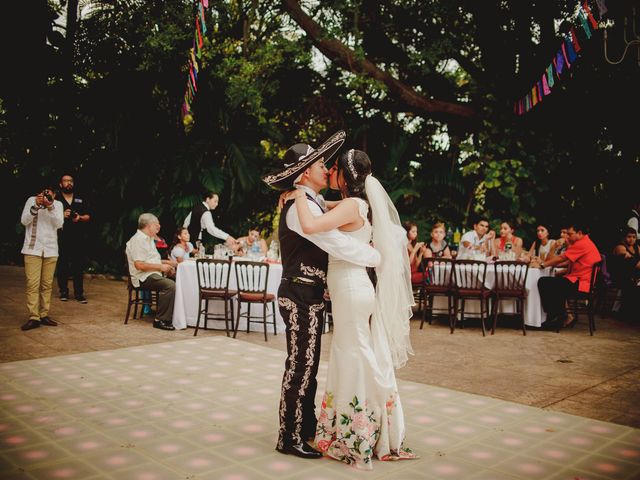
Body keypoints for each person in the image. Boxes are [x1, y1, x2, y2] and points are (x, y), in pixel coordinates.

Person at [290, 148, 417, 469]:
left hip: (349, 286)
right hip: (354, 286)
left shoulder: (351, 205)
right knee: (357, 351)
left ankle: (358, 430)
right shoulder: (359, 205)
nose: (329, 172)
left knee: (354, 353)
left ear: (345, 177)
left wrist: (297, 193)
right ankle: (368, 423)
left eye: (333, 168)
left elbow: (311, 225)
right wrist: (308, 197)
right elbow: (326, 207)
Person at [261, 131, 381, 460]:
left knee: (309, 365)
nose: (326, 168)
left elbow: (337, 213)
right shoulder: (297, 209)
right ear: (305, 173)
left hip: (309, 292)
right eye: (319, 164)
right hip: (299, 291)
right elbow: (335, 244)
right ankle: (290, 435)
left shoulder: (309, 202)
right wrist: (374, 256)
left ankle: (307, 427)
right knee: (301, 365)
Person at [537, 221, 601, 329]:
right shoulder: (585, 242)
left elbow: (563, 257)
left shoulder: (582, 243)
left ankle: (557, 316)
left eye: (570, 234)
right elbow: (569, 261)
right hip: (581, 280)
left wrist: (543, 265)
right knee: (552, 281)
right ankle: (561, 315)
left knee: (544, 282)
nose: (568, 236)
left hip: (581, 283)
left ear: (579, 233)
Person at [20, 186, 64, 331]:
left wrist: (50, 206)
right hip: (32, 249)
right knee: (32, 284)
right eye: (43, 193)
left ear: (54, 195)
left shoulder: (57, 205)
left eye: (49, 194)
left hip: (51, 250)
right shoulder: (31, 201)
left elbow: (59, 224)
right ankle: (34, 317)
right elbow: (24, 221)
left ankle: (44, 314)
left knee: (47, 284)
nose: (46, 196)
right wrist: (37, 206)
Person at [125, 213, 178, 331]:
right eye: (156, 225)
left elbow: (152, 259)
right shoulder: (138, 240)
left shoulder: (148, 239)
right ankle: (160, 320)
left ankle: (177, 315)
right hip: (142, 277)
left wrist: (168, 263)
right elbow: (139, 265)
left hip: (151, 273)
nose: (159, 227)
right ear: (149, 226)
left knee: (178, 280)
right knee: (169, 285)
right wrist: (161, 267)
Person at [56, 173, 91, 303]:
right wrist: (61, 215)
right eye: (65, 181)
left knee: (78, 266)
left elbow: (88, 216)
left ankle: (79, 293)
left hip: (78, 237)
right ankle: (63, 291)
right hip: (61, 237)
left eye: (70, 181)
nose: (68, 183)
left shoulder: (80, 198)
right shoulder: (56, 199)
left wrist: (79, 218)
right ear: (61, 184)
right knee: (62, 265)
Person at [610, 228, 640, 319]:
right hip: (620, 276)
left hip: (633, 275)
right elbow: (631, 261)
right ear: (624, 238)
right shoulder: (620, 247)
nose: (631, 239)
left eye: (634, 237)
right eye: (629, 237)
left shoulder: (637, 247)